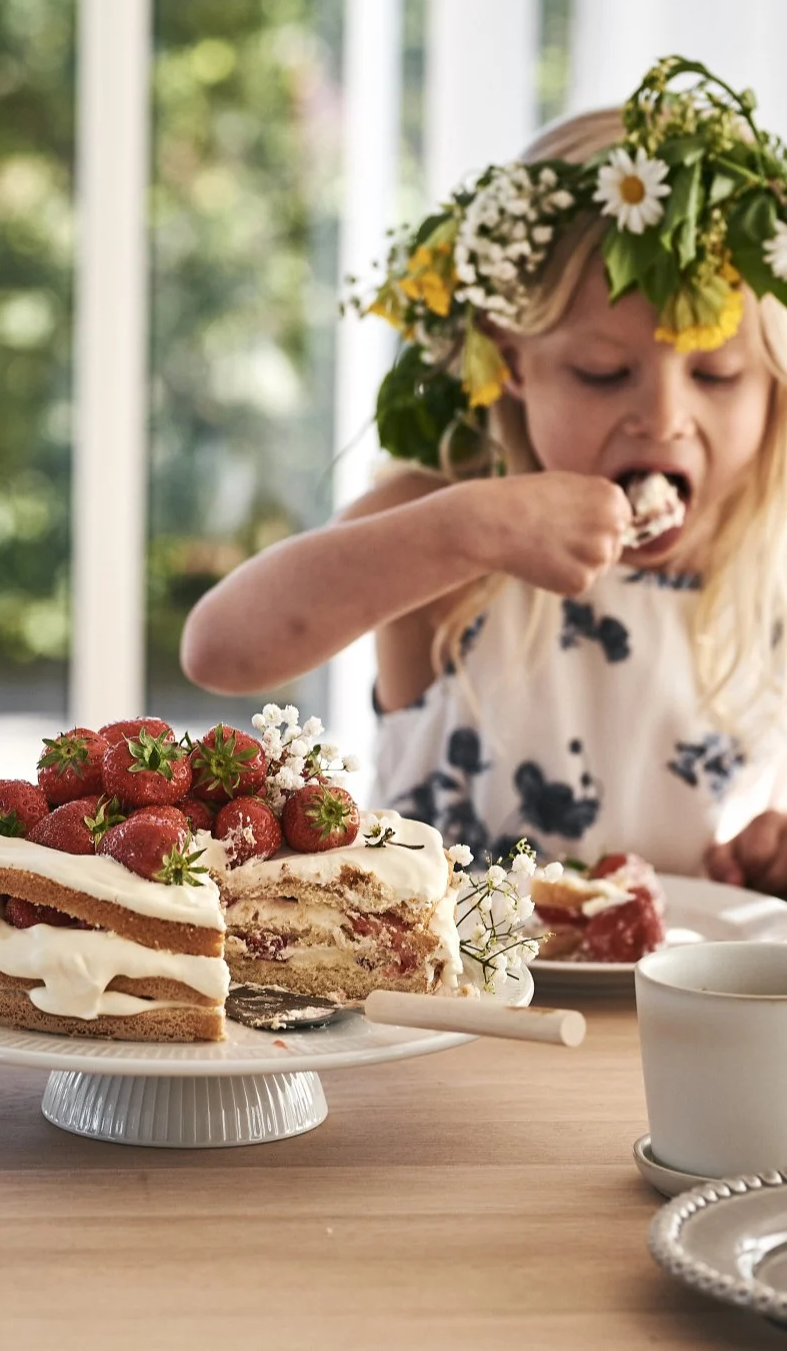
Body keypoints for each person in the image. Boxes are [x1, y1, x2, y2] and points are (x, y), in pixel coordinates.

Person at [181, 57, 787, 895]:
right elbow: (221, 649)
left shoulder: (767, 564)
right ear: (512, 364)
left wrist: (765, 858)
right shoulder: (446, 524)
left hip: (660, 1009)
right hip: (442, 1003)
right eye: (604, 374)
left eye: (717, 377)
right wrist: (470, 528)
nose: (665, 418)